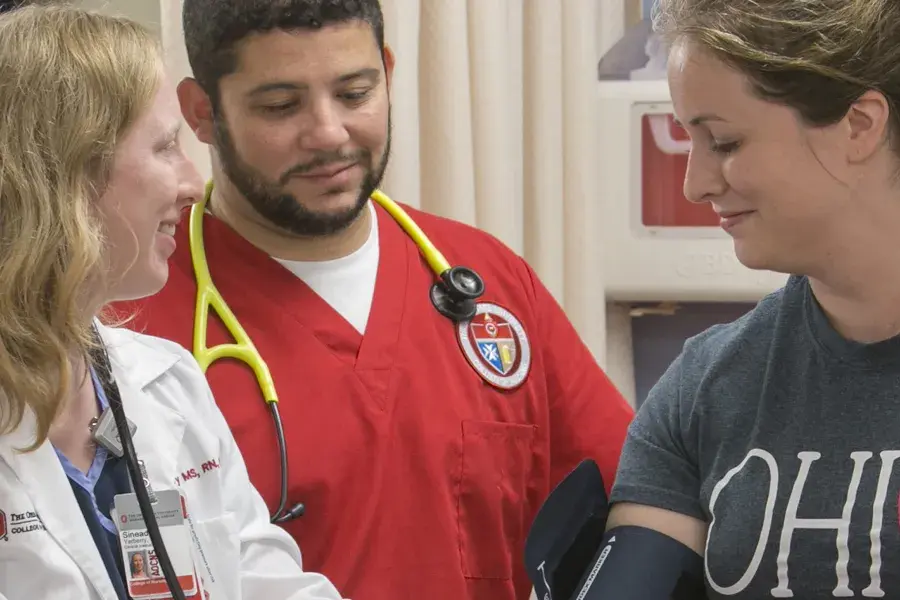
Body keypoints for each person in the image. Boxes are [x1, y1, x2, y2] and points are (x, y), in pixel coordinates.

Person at [113, 0, 635, 599]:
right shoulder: (132, 314)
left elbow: (633, 503)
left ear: (387, 72)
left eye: (355, 93)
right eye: (281, 106)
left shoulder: (490, 281)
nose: (329, 133)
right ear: (202, 112)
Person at [0, 5, 345, 600]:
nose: (193, 182)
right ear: (66, 174)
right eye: (165, 148)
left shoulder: (167, 383)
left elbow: (266, 580)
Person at [593, 0, 900, 597]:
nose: (695, 183)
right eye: (691, 141)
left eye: (725, 142)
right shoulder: (704, 390)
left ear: (859, 125)